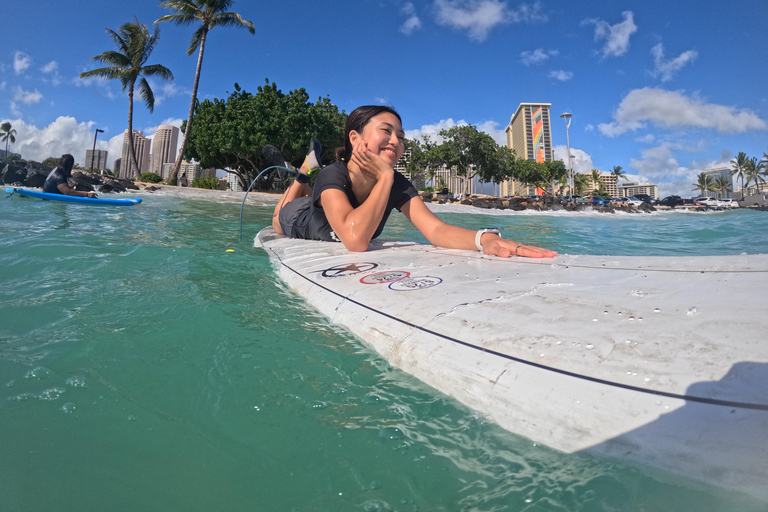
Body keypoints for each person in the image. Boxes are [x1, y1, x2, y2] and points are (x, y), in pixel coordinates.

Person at [272, 105, 557, 259]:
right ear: (355, 138)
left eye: (401, 135)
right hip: (298, 219)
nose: (396, 141)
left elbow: (435, 230)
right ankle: (302, 173)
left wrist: (484, 239)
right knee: (278, 219)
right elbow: (355, 240)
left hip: (323, 205)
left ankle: (306, 175)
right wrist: (385, 176)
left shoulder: (397, 183)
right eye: (386, 131)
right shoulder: (334, 174)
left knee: (315, 194)